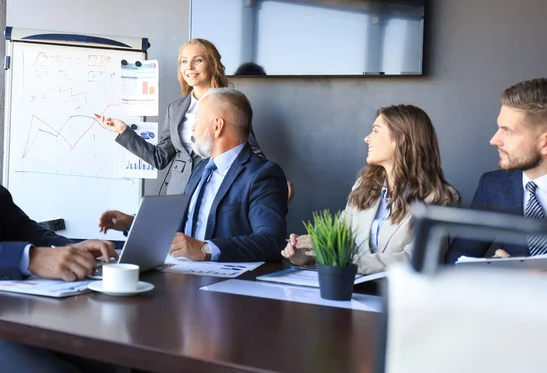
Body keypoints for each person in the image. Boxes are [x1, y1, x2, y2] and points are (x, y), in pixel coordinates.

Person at [0, 36, 118, 373]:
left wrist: (70, 247)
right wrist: (32, 258)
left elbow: (15, 223)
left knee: (110, 364)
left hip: (8, 309)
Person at [99, 88, 288, 262]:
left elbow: (271, 240)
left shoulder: (262, 175)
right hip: (181, 279)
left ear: (217, 126)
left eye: (197, 119)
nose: (192, 128)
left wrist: (206, 249)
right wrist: (133, 223)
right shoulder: (201, 168)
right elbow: (180, 225)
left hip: (226, 290)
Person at [281, 105, 460, 274]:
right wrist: (306, 253)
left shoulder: (440, 198)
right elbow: (340, 241)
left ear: (400, 139)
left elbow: (417, 259)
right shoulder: (363, 186)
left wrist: (346, 261)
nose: (367, 138)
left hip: (401, 297)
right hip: (351, 289)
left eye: (375, 131)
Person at [102, 38, 265, 195]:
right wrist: (124, 131)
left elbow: (250, 150)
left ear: (212, 64)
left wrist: (269, 179)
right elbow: (159, 158)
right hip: (177, 189)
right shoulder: (175, 109)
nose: (190, 67)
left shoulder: (229, 103)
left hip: (215, 188)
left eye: (198, 60)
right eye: (184, 61)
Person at [445, 78, 547, 263]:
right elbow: (457, 258)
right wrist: (490, 270)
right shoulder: (493, 186)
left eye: (507, 131)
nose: (494, 140)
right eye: (499, 128)